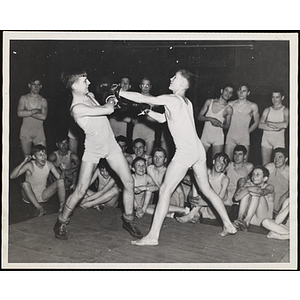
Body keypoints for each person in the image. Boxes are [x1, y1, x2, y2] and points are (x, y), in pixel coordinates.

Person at [117, 69, 237, 246]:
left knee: (165, 189)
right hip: (197, 150)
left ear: (182, 84)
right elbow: (163, 119)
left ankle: (152, 237)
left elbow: (145, 98)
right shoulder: (185, 102)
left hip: (186, 151)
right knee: (206, 188)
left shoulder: (171, 98)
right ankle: (229, 225)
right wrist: (148, 113)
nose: (171, 78)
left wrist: (119, 92)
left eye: (175, 77)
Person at [53, 69, 142, 240]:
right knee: (80, 190)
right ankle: (62, 221)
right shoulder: (76, 109)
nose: (89, 83)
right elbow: (108, 110)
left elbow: (108, 103)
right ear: (73, 85)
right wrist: (112, 98)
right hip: (93, 148)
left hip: (111, 145)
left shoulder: (90, 95)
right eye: (84, 81)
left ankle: (128, 219)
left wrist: (111, 96)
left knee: (129, 181)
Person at [10, 144, 66, 216]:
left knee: (60, 182)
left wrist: (64, 171)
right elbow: (12, 176)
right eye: (40, 155)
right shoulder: (30, 165)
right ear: (34, 157)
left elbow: (61, 181)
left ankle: (62, 206)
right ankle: (40, 208)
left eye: (44, 154)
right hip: (29, 197)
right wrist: (23, 162)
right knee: (25, 184)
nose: (43, 157)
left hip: (43, 195)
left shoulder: (49, 164)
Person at [176, 152, 231, 223]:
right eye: (219, 162)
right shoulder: (206, 172)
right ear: (214, 161)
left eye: (224, 163)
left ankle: (190, 215)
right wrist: (193, 198)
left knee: (205, 188)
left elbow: (219, 201)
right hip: (199, 204)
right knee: (197, 177)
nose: (221, 165)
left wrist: (205, 202)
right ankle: (196, 214)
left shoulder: (225, 179)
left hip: (212, 210)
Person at [146, 147, 187, 218]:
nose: (157, 159)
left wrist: (181, 209)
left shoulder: (168, 173)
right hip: (163, 200)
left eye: (160, 157)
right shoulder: (149, 169)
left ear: (165, 160)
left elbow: (180, 192)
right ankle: (171, 215)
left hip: (174, 201)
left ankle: (183, 210)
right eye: (155, 156)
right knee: (146, 209)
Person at [233, 166, 274, 231]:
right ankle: (239, 219)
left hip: (262, 220)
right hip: (252, 219)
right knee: (246, 193)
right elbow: (236, 198)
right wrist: (247, 189)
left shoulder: (270, 187)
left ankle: (246, 221)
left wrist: (248, 189)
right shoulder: (248, 184)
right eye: (253, 174)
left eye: (258, 175)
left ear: (265, 178)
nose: (254, 176)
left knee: (255, 194)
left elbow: (260, 192)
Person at [224, 84, 260, 161]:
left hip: (244, 138)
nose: (241, 93)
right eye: (239, 90)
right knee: (226, 162)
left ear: (248, 93)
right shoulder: (230, 104)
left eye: (244, 91)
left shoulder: (252, 106)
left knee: (243, 163)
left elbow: (256, 122)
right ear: (237, 92)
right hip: (231, 136)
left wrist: (247, 132)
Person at [198, 84, 234, 157]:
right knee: (199, 159)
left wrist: (220, 125)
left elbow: (227, 125)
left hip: (218, 138)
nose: (228, 94)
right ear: (221, 91)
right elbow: (199, 117)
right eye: (226, 91)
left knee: (216, 161)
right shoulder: (209, 102)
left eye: (230, 93)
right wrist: (210, 119)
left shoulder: (229, 109)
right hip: (205, 136)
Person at [17, 78, 48, 158]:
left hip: (39, 133)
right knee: (27, 158)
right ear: (29, 85)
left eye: (38, 85)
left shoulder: (43, 100)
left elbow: (43, 117)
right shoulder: (24, 98)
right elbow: (19, 113)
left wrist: (27, 112)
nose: (36, 87)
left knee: (43, 157)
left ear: (41, 86)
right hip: (25, 132)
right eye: (34, 84)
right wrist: (34, 111)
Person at [258, 89, 289, 165]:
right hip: (266, 140)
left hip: (279, 140)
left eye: (277, 97)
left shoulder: (285, 110)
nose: (274, 100)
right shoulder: (267, 110)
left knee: (280, 165)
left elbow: (285, 125)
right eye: (273, 97)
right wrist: (277, 128)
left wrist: (268, 123)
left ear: (282, 97)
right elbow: (260, 125)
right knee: (265, 164)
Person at [132, 77, 157, 156]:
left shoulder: (155, 100)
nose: (145, 87)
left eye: (147, 85)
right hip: (138, 128)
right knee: (137, 155)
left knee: (147, 156)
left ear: (150, 87)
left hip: (150, 129)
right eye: (143, 85)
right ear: (140, 86)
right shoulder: (135, 98)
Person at [225, 145, 254, 213]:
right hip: (227, 194)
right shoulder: (229, 165)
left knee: (242, 181)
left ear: (245, 156)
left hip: (239, 195)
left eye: (240, 154)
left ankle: (236, 206)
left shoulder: (248, 167)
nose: (237, 157)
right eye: (235, 154)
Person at [265, 148, 289, 215]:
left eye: (280, 157)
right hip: (269, 198)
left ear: (286, 159)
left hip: (282, 202)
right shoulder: (269, 167)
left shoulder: (289, 172)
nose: (276, 160)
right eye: (275, 157)